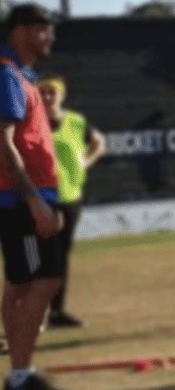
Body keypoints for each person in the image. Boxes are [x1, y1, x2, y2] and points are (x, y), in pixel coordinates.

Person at [0, 3, 74, 390]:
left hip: (32, 199)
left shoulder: (23, 77)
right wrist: (33, 200)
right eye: (44, 30)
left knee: (27, 283)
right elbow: (4, 143)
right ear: (20, 31)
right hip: (19, 201)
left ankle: (20, 378)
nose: (50, 38)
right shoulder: (7, 75)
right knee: (35, 282)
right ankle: (19, 381)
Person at [37, 73, 106, 328]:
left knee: (61, 256)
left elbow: (98, 142)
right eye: (42, 92)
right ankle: (38, 313)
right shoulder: (31, 122)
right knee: (45, 256)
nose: (47, 97)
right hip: (43, 197)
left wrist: (84, 164)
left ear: (61, 95)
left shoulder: (75, 121)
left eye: (51, 92)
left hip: (70, 196)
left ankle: (56, 312)